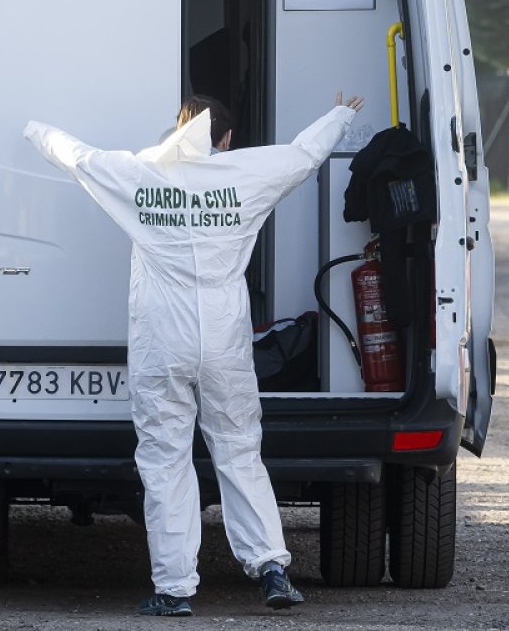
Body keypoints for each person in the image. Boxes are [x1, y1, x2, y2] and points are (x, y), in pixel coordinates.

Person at [23, 91, 365, 616]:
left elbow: (78, 157)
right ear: (226, 138)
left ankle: (174, 589)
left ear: (176, 129)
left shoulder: (141, 175)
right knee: (239, 450)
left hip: (162, 340)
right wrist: (339, 116)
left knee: (165, 460)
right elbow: (303, 155)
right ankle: (271, 569)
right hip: (224, 340)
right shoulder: (245, 175)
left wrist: (33, 127)